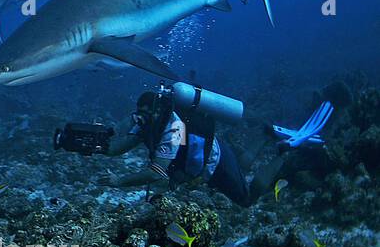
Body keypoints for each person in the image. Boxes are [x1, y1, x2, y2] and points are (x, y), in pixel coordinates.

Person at [106, 86, 332, 207]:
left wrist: (118, 182)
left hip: (214, 165)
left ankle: (284, 152)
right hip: (214, 151)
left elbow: (155, 173)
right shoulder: (147, 125)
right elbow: (118, 148)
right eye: (139, 115)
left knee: (246, 199)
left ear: (157, 112)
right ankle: (265, 134)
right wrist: (96, 146)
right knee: (240, 165)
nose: (140, 120)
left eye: (146, 115)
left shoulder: (172, 128)